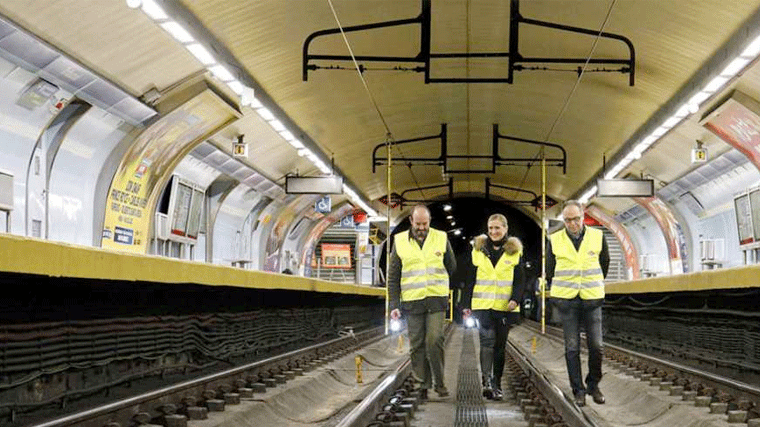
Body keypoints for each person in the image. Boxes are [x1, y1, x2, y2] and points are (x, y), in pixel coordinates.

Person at [388, 204, 456, 399]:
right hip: (412, 301)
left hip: (436, 299)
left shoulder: (441, 238)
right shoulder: (399, 241)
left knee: (434, 340)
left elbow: (451, 266)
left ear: (429, 221)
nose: (421, 228)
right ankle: (422, 385)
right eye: (418, 224)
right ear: (411, 221)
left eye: (424, 224)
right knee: (417, 344)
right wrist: (394, 305)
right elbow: (393, 277)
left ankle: (440, 383)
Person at [547, 200, 609, 407]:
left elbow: (604, 264)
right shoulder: (554, 240)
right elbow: (549, 269)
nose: (572, 223)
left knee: (597, 346)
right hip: (567, 300)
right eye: (567, 220)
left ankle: (593, 384)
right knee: (572, 347)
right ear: (563, 220)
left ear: (583, 217)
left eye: (575, 219)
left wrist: (593, 284)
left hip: (592, 297)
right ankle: (578, 390)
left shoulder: (598, 237)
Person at [461, 214, 526, 401]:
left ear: (505, 229)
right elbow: (470, 278)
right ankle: (487, 381)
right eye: (490, 228)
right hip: (482, 306)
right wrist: (466, 304)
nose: (493, 232)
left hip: (504, 307)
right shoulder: (478, 250)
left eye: (497, 228)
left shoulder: (514, 253)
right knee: (487, 341)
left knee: (500, 346)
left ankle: (496, 382)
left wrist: (516, 299)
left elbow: (520, 280)